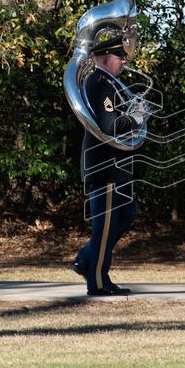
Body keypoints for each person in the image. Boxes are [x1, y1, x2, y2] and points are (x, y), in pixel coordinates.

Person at [70, 34, 142, 296]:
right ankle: (98, 281)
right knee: (105, 226)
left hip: (115, 165)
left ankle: (86, 260)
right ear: (104, 58)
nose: (123, 61)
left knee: (125, 216)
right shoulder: (100, 84)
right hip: (105, 166)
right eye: (119, 56)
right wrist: (135, 119)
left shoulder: (111, 84)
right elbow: (110, 126)